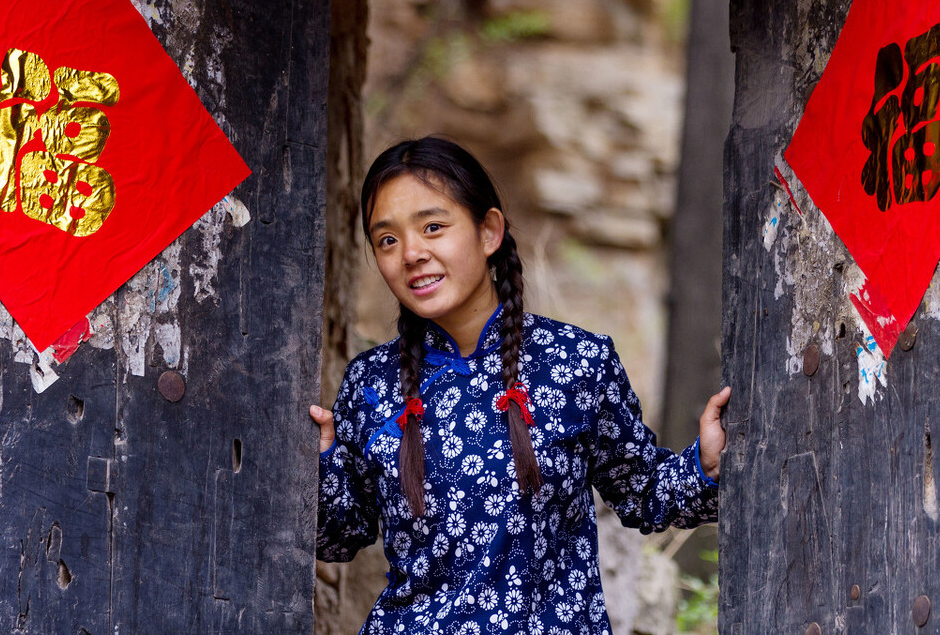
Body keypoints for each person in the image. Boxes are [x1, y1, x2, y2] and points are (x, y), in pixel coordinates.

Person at [310, 136, 730, 635]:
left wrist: (704, 464)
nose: (412, 253)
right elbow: (338, 537)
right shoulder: (370, 384)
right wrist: (318, 466)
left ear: (489, 231)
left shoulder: (577, 363)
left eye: (433, 227)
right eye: (387, 240)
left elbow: (643, 492)